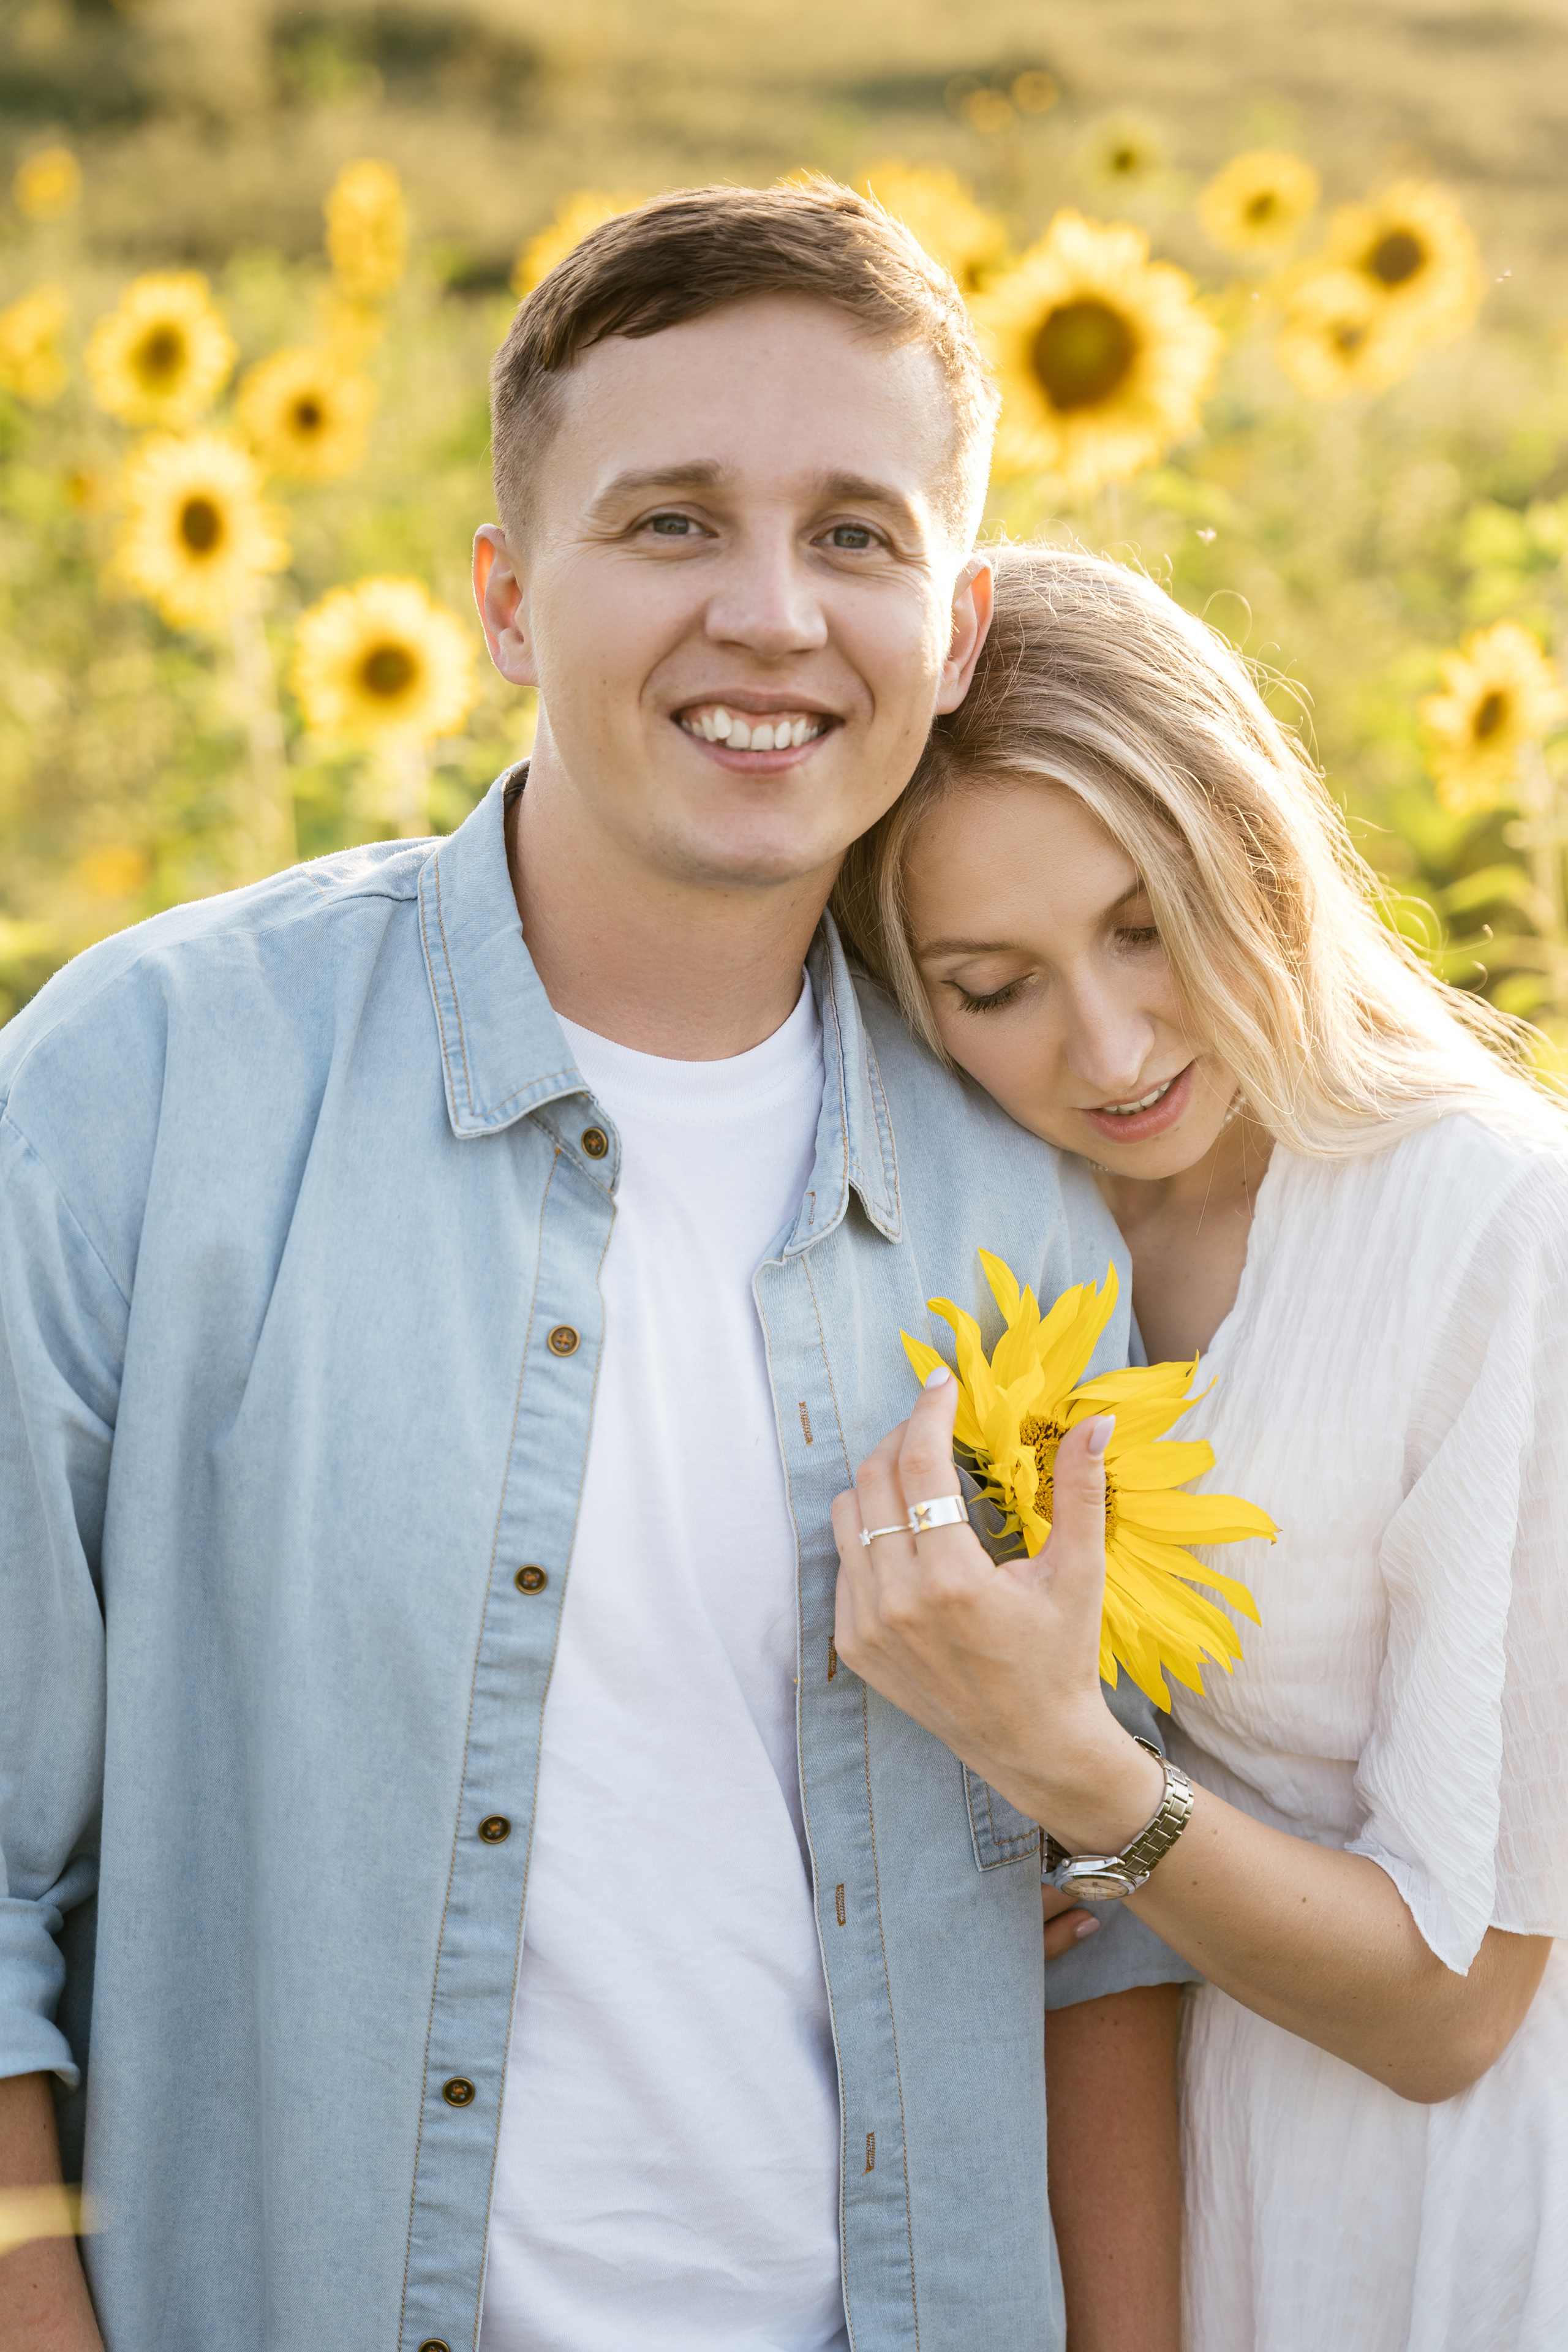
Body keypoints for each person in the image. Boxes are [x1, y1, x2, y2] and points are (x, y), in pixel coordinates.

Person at [0, 191, 1196, 2352]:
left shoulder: (1027, 1214)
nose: (769, 614)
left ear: (956, 621)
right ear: (505, 598)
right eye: (667, 524)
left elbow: (1099, 1941)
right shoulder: (150, 1085)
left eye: (854, 533)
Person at [830, 540, 1568, 2351]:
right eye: (992, 984)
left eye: (1145, 921)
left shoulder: (1493, 1231)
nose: (1111, 1041)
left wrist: (1080, 1786)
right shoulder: (987, 1239)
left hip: (1453, 2206)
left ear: (1252, 837)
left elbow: (1451, 2006)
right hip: (1172, 2187)